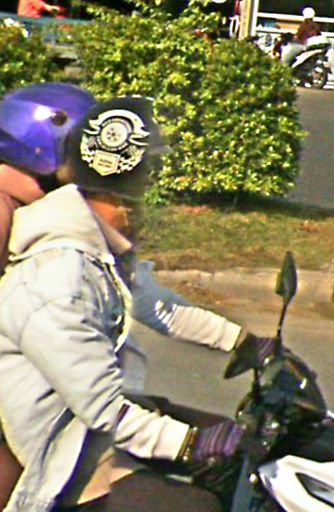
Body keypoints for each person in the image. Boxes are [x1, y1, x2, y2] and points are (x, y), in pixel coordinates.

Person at [0, 85, 276, 510]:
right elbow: (98, 403)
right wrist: (190, 444)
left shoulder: (86, 238)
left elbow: (154, 303)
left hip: (82, 414)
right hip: (62, 442)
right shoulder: (48, 265)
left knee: (233, 457)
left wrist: (244, 342)